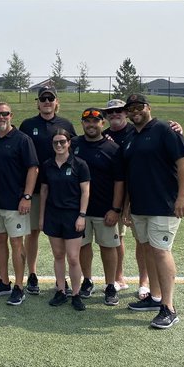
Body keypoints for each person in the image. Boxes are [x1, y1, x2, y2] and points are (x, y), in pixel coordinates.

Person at [102, 99, 183, 297]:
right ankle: (120, 278)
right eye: (110, 112)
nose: (115, 115)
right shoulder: (105, 136)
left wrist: (183, 195)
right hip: (121, 195)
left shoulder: (142, 129)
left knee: (147, 244)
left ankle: (145, 283)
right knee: (120, 238)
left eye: (119, 111)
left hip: (152, 198)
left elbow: (181, 160)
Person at [123, 94, 184, 329]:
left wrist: (182, 196)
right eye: (130, 108)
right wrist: (127, 205)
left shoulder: (165, 129)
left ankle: (169, 308)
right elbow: (131, 173)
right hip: (140, 206)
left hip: (164, 205)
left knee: (161, 251)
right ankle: (154, 297)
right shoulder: (132, 136)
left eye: (138, 107)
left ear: (148, 108)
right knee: (148, 250)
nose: (134, 111)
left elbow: (183, 162)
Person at [19, 87, 76, 295]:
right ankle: (32, 274)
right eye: (42, 99)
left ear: (56, 102)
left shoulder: (66, 125)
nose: (46, 101)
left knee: (62, 237)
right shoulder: (28, 125)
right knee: (32, 232)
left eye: (50, 98)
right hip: (34, 189)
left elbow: (77, 150)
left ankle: (63, 279)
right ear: (38, 103)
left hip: (62, 190)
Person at [0, 101, 39, 307]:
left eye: (4, 114)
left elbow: (33, 169)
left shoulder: (23, 140)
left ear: (11, 116)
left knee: (16, 243)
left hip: (15, 203)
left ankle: (18, 286)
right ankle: (4, 281)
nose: (1, 117)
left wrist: (26, 197)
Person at [72, 108, 125, 306]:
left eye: (95, 121)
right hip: (80, 211)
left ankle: (110, 284)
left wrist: (116, 209)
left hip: (105, 210)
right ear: (82, 123)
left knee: (108, 247)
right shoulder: (74, 144)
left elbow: (120, 181)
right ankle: (87, 280)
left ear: (102, 123)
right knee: (83, 246)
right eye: (87, 122)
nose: (91, 125)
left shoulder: (113, 149)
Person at [38, 129, 90, 311]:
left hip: (72, 216)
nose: (59, 145)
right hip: (53, 215)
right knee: (58, 256)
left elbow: (85, 192)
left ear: (69, 143)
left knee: (73, 258)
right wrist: (42, 217)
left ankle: (76, 294)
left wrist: (82, 216)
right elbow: (44, 192)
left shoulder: (80, 164)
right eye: (55, 143)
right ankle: (61, 290)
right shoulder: (47, 165)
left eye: (62, 142)